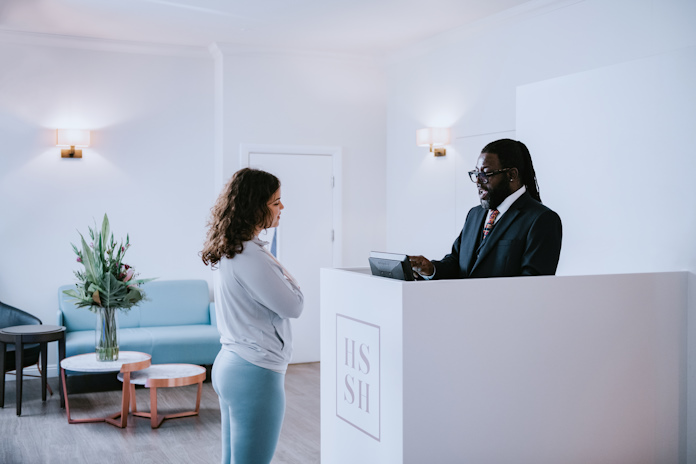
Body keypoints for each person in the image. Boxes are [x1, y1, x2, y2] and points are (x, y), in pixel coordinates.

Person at [201, 168, 304, 464]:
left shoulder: (232, 249)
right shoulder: (251, 256)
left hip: (233, 364)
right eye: (276, 203)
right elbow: (294, 306)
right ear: (255, 206)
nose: (282, 208)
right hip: (254, 373)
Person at [409, 139, 562, 279]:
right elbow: (456, 263)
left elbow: (533, 286)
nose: (478, 182)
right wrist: (430, 269)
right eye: (476, 173)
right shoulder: (474, 214)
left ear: (511, 175)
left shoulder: (542, 219)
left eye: (486, 174)